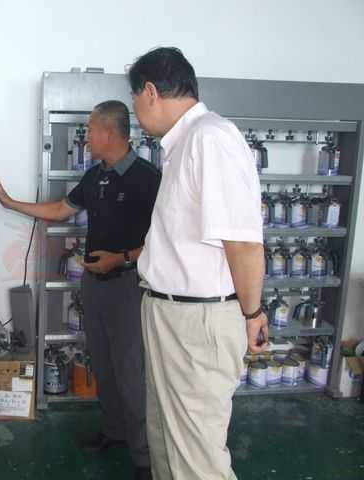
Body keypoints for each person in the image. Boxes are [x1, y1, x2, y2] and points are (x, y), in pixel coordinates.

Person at [0, 100, 160, 480]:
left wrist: (122, 259)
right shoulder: (96, 176)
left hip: (130, 286)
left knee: (131, 372)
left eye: (91, 130)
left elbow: (165, 240)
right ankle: (114, 432)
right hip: (94, 286)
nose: (86, 139)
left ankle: (145, 458)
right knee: (104, 365)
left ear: (109, 133)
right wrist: (10, 203)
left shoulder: (148, 179)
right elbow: (60, 210)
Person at [129, 46, 269, 480]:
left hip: (197, 321)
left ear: (150, 92)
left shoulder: (211, 138)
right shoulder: (183, 144)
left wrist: (253, 313)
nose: (135, 111)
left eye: (135, 100)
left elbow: (243, 243)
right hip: (171, 313)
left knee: (196, 459)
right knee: (167, 441)